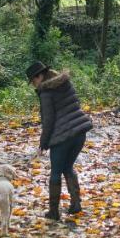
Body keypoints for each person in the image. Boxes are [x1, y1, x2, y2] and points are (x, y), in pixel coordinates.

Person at [26, 61, 93, 221]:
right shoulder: (65, 82)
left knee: (56, 172)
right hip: (80, 133)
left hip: (62, 138)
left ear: (40, 76)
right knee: (68, 167)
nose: (34, 85)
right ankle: (76, 205)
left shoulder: (46, 92)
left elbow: (48, 121)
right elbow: (75, 104)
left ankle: (54, 212)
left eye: (33, 81)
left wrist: (43, 143)